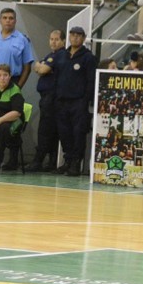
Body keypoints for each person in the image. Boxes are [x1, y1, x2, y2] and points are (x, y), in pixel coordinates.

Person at [54, 26, 96, 176]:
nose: (75, 38)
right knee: (64, 132)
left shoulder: (88, 57)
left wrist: (86, 100)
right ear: (69, 37)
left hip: (79, 102)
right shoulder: (61, 55)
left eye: (79, 35)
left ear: (84, 38)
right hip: (61, 100)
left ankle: (76, 163)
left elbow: (91, 81)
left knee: (78, 132)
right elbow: (55, 76)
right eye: (73, 35)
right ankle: (68, 160)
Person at [25, 30, 65, 172]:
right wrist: (40, 65)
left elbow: (41, 69)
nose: (53, 42)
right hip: (47, 98)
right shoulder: (51, 55)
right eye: (51, 39)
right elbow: (41, 67)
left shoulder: (60, 55)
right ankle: (51, 161)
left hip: (52, 99)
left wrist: (39, 65)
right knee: (50, 131)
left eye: (57, 39)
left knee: (45, 131)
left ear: (63, 41)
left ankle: (39, 161)